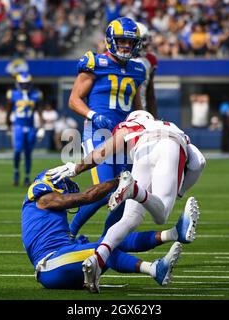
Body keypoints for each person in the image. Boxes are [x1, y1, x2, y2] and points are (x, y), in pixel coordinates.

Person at [48, 110, 205, 293]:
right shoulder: (169, 126)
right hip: (169, 144)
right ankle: (135, 191)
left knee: (129, 219)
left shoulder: (128, 126)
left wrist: (76, 168)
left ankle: (97, 259)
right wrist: (180, 192)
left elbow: (102, 152)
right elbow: (199, 163)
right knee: (161, 215)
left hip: (141, 150)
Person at [23, 170, 197, 292]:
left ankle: (174, 233)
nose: (66, 188)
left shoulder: (44, 204)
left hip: (62, 262)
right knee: (103, 248)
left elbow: (91, 197)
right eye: (64, 185)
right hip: (50, 265)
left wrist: (118, 189)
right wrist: (117, 181)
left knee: (112, 238)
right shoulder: (43, 198)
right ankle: (153, 269)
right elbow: (86, 197)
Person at [67, 17, 146, 238]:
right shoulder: (95, 63)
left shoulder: (137, 70)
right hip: (99, 133)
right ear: (111, 40)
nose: (126, 46)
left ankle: (106, 243)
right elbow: (74, 100)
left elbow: (137, 107)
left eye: (131, 42)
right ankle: (69, 233)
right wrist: (93, 115)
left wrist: (145, 124)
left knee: (124, 194)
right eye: (122, 41)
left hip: (124, 137)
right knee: (104, 190)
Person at [6, 72, 43, 186]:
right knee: (17, 151)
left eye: (26, 84)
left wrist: (41, 126)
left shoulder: (36, 94)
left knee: (28, 153)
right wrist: (8, 125)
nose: (24, 86)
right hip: (18, 126)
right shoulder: (13, 94)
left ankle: (27, 176)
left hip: (31, 127)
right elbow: (9, 110)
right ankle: (16, 172)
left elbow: (38, 110)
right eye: (22, 84)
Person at [132, 22, 158, 117]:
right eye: (143, 40)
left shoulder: (149, 60)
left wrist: (154, 118)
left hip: (141, 114)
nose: (146, 44)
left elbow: (150, 94)